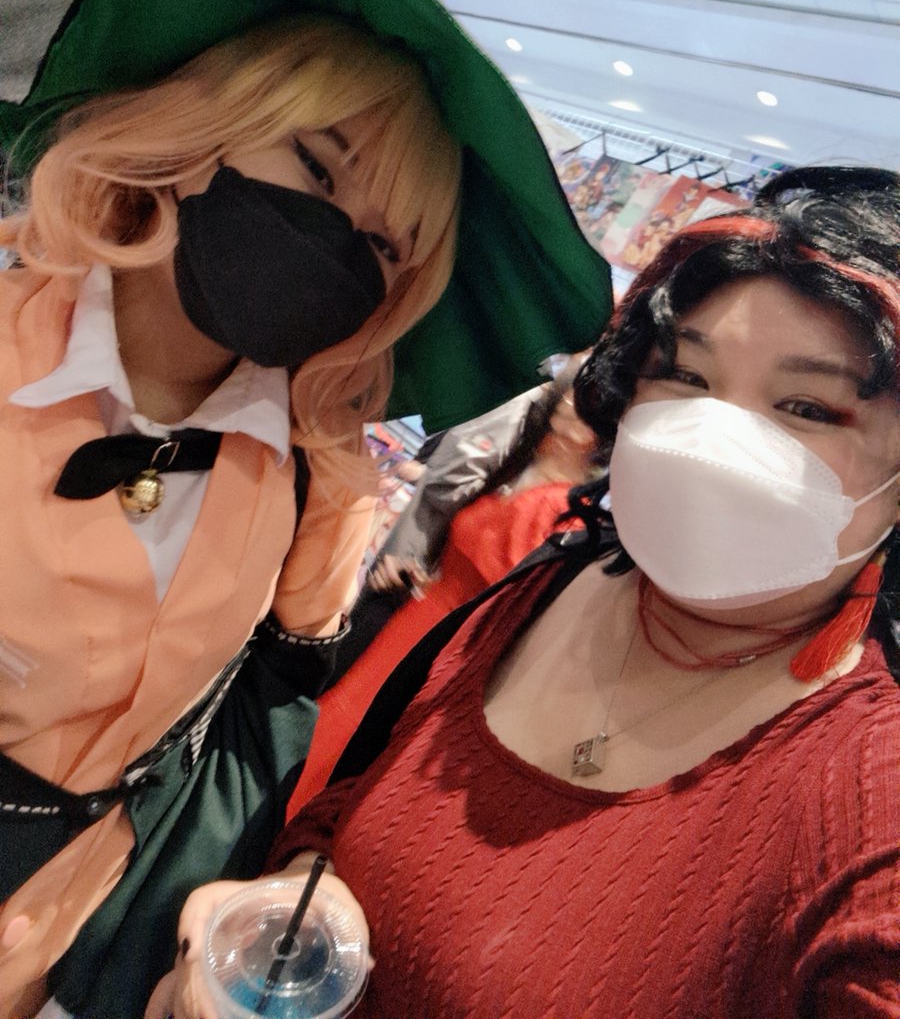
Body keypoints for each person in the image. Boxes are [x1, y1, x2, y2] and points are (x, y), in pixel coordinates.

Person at [0, 0, 611, 1015]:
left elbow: (247, 720)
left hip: (59, 936)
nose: (337, 243)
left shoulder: (314, 480)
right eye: (320, 170)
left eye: (383, 245)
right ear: (202, 133)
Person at [155, 165, 899, 1019]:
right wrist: (298, 900)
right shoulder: (542, 589)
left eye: (808, 407)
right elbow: (357, 810)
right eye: (686, 378)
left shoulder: (869, 804)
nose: (712, 438)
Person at [286, 373, 599, 813]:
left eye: (575, 401)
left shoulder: (560, 511)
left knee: (341, 741)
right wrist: (421, 573)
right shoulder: (527, 470)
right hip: (409, 623)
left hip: (437, 654)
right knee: (330, 726)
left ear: (587, 432)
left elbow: (503, 602)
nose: (562, 403)